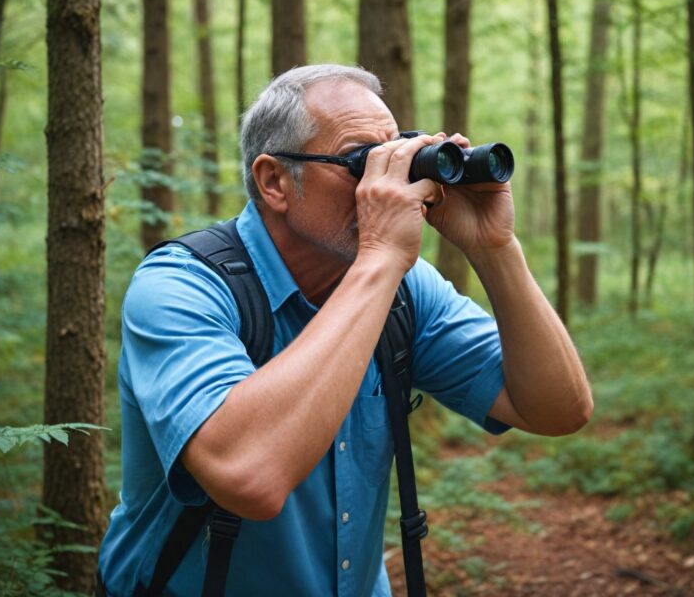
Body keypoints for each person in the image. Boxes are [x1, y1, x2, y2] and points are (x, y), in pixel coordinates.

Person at [97, 64, 592, 596]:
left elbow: (557, 409)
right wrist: (380, 259)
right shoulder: (181, 287)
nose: (386, 184)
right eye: (361, 161)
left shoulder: (404, 289)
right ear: (274, 182)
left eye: (395, 156)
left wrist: (495, 249)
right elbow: (249, 477)